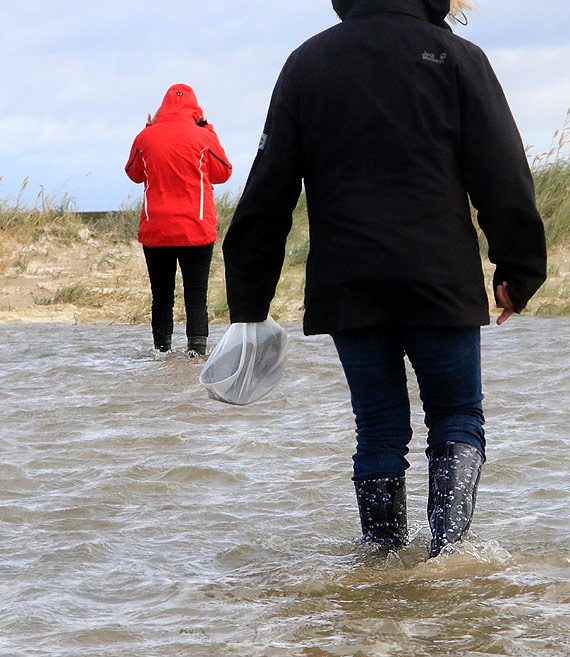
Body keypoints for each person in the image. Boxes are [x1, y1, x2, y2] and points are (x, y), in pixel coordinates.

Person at [222, 0, 547, 556]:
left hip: (348, 281)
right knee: (456, 416)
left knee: (376, 427)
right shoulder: (456, 57)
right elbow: (502, 171)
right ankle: (446, 557)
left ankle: (382, 561)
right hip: (438, 276)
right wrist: (519, 270)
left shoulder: (308, 62)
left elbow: (268, 190)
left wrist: (249, 303)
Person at [125, 84, 232, 354]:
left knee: (161, 297)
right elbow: (223, 173)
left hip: (156, 228)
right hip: (195, 228)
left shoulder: (145, 137)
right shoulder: (202, 137)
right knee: (196, 297)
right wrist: (207, 128)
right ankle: (197, 353)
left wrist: (149, 130)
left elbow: (134, 173)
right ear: (195, 110)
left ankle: (161, 352)